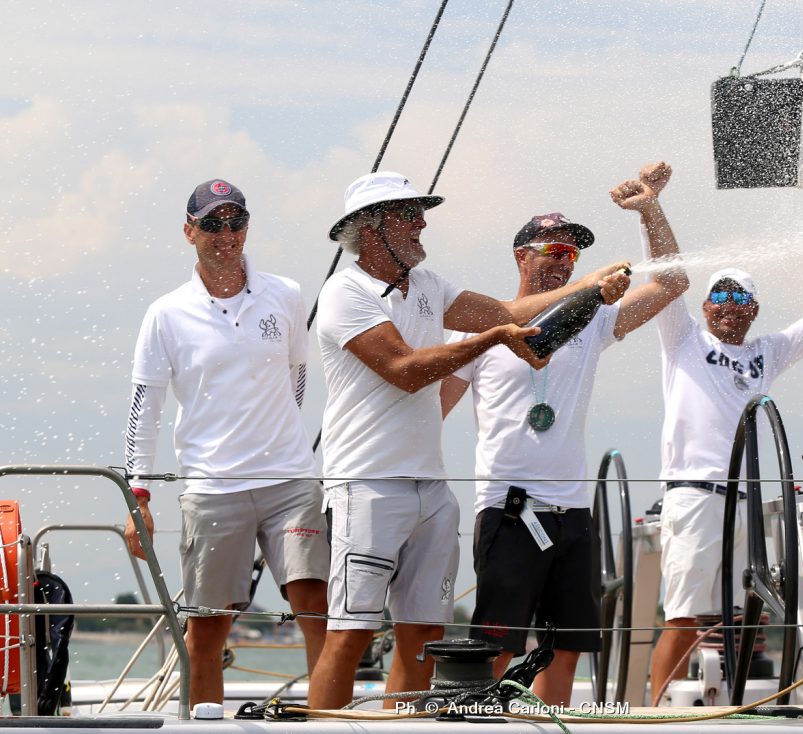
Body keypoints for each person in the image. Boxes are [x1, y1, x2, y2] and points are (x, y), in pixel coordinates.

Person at [308, 171, 631, 709]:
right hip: (366, 485)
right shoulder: (345, 291)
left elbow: (508, 313)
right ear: (371, 228)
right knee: (350, 633)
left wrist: (589, 288)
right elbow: (406, 369)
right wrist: (491, 340)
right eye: (409, 214)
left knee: (423, 636)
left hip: (431, 487)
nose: (422, 223)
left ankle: (405, 729)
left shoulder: (429, 285)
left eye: (420, 212)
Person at [438, 162, 686, 706]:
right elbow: (433, 412)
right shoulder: (482, 326)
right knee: (496, 645)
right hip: (508, 507)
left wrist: (650, 208)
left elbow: (672, 283)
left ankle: (554, 724)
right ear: (521, 257)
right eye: (552, 250)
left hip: (573, 510)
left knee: (565, 647)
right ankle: (478, 722)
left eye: (571, 255)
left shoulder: (594, 320)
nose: (562, 261)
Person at [647, 216, 803, 702]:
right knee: (682, 617)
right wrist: (650, 210)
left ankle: (733, 708)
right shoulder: (683, 339)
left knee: (738, 615)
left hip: (745, 502)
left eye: (740, 297)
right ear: (704, 305)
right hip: (694, 497)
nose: (728, 304)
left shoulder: (768, 352)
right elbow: (665, 272)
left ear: (754, 309)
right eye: (719, 295)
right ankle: (654, 718)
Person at [123, 179, 329, 707]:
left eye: (236, 221)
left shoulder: (286, 293)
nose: (226, 233)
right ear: (189, 231)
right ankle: (207, 726)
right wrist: (138, 496)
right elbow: (145, 410)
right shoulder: (165, 313)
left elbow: (297, 379)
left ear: (247, 227)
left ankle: (327, 723)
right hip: (212, 487)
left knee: (318, 610)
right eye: (212, 223)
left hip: (290, 480)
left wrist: (278, 436)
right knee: (207, 632)